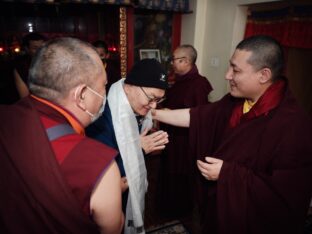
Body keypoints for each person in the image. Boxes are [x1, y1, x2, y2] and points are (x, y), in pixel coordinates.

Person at [152, 35, 312, 234]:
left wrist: (226, 174)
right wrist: (153, 112)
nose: (227, 75)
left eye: (235, 70)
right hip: (220, 209)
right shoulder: (236, 101)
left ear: (263, 75)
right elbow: (198, 116)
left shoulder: (293, 124)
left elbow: (286, 195)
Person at [0, 37, 124, 234]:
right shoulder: (97, 165)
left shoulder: (7, 118)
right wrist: (112, 190)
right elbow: (113, 229)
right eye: (103, 86)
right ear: (81, 94)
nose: (104, 93)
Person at [86, 58, 169, 233]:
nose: (153, 106)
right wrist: (137, 148)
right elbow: (97, 169)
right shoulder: (101, 113)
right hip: (109, 193)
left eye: (159, 100)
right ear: (130, 86)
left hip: (128, 185)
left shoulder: (136, 107)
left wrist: (139, 147)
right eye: (152, 98)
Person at [157, 44, 213, 219]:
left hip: (184, 140)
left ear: (186, 61)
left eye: (175, 59)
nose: (172, 63)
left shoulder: (199, 84)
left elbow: (199, 117)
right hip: (172, 136)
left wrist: (167, 113)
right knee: (168, 171)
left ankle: (180, 210)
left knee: (181, 175)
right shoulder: (180, 80)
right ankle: (166, 206)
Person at [13, 32, 46, 98]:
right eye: (35, 48)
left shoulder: (54, 63)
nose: (40, 51)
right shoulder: (22, 68)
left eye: (42, 47)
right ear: (27, 49)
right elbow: (25, 97)